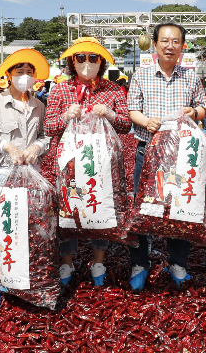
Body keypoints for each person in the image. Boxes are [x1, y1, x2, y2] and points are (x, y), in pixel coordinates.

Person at [45, 37, 132, 287]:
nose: (86, 62)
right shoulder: (60, 89)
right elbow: (49, 126)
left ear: (101, 61)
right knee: (68, 210)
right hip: (69, 165)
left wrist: (111, 113)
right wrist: (65, 116)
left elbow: (125, 125)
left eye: (92, 58)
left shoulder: (113, 89)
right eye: (80, 58)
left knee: (99, 206)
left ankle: (98, 260)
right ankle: (68, 262)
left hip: (103, 165)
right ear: (73, 61)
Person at [126, 22, 206, 291]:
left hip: (181, 156)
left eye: (175, 42)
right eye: (164, 41)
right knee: (144, 209)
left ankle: (177, 263)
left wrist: (193, 113)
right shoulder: (141, 75)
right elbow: (132, 110)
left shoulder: (191, 76)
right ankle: (140, 262)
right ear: (155, 44)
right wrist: (146, 121)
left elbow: (203, 108)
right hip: (147, 152)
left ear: (183, 47)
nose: (170, 46)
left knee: (180, 210)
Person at [0, 49, 51, 312]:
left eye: (30, 73)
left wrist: (37, 148)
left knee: (29, 228)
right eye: (20, 72)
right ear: (8, 75)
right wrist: (6, 145)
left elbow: (46, 136)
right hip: (1, 173)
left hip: (32, 174)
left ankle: (20, 277)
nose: (25, 77)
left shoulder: (39, 105)